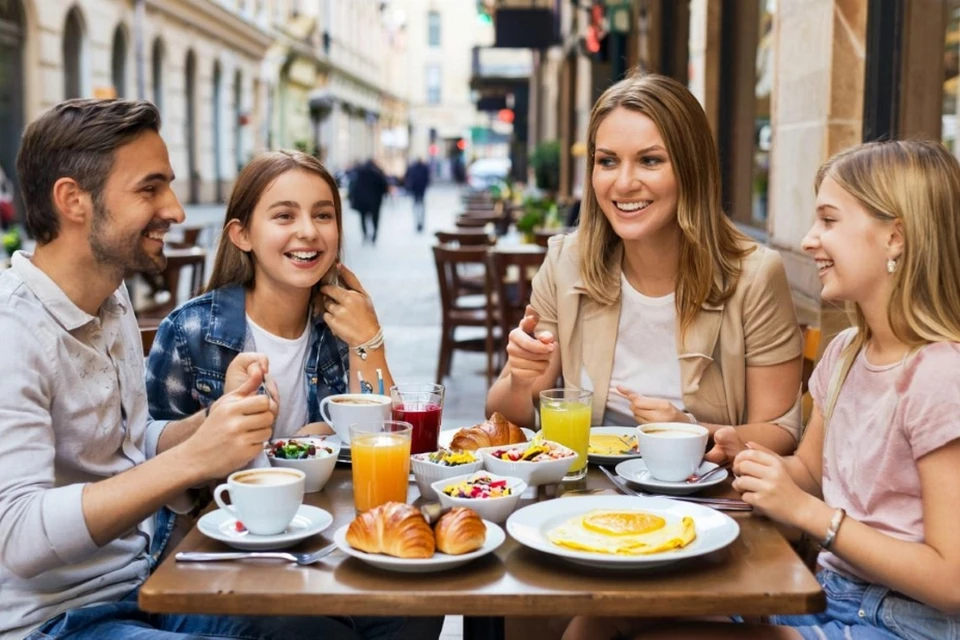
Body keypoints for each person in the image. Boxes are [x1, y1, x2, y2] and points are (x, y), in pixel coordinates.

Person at [0, 99, 408, 640]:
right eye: (150, 188)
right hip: (57, 620)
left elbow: (127, 444)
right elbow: (20, 537)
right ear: (73, 200)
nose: (175, 209)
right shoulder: (13, 329)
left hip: (147, 583)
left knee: (394, 607)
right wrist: (196, 457)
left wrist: (212, 422)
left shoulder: (111, 302)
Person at [564, 139, 960, 640]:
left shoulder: (939, 375)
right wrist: (735, 449)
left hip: (902, 623)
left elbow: (952, 582)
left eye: (829, 221)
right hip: (827, 596)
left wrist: (812, 515)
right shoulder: (845, 354)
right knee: (602, 617)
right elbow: (808, 474)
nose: (810, 239)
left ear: (895, 238)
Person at [485, 72, 803, 464]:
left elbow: (781, 432)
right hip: (586, 490)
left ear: (691, 169)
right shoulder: (567, 262)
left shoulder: (754, 275)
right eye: (608, 161)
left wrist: (691, 431)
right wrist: (520, 378)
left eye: (650, 160)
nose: (623, 183)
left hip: (701, 499)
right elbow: (503, 418)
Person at [146, 150, 396, 435]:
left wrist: (369, 342)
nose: (308, 231)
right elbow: (153, 452)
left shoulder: (342, 326)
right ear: (243, 235)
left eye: (323, 215)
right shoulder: (187, 331)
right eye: (284, 215)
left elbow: (387, 441)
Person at [349, 158, 388, 244]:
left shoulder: (360, 173)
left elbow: (354, 187)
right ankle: (374, 234)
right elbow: (383, 187)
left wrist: (353, 198)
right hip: (375, 201)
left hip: (362, 201)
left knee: (363, 218)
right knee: (375, 218)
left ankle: (365, 234)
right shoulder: (377, 173)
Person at [404, 157, 431, 232]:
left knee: (419, 207)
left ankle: (420, 223)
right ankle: (419, 223)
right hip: (418, 190)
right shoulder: (417, 167)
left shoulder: (415, 167)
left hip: (418, 190)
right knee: (418, 207)